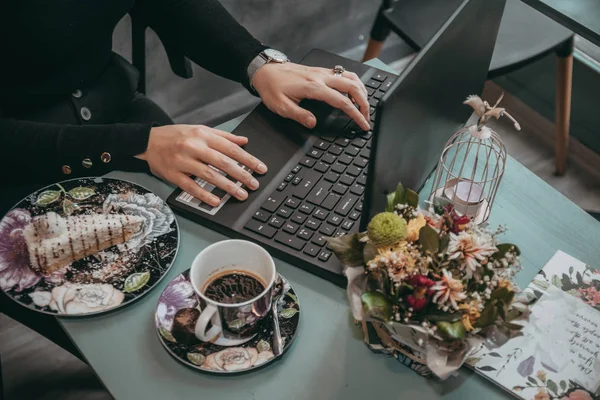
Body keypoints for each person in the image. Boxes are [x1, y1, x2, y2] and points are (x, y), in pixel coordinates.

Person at [0, 1, 369, 360]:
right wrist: (135, 144)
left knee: (225, 246)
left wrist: (259, 64)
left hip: (119, 111)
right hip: (18, 165)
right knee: (158, 339)